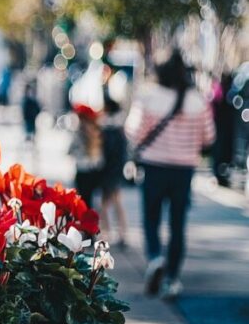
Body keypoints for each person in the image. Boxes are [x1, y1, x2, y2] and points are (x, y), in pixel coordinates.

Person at [125, 50, 215, 299]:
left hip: (154, 166)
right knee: (178, 224)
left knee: (151, 218)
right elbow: (209, 137)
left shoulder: (148, 97)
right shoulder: (198, 101)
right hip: (184, 170)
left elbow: (133, 132)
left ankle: (155, 257)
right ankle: (172, 279)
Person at [100, 93, 128, 246]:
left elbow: (105, 153)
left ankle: (106, 234)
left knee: (105, 204)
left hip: (107, 171)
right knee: (117, 202)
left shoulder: (106, 128)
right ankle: (122, 234)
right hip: (117, 170)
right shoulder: (120, 128)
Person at [68, 104, 104, 208]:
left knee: (82, 200)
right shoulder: (96, 130)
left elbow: (71, 149)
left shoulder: (79, 131)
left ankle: (85, 221)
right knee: (90, 200)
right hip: (94, 170)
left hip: (82, 169)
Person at [211, 72, 235, 187]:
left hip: (219, 128)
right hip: (226, 129)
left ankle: (218, 174)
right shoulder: (230, 94)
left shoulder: (219, 92)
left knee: (219, 152)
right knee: (223, 153)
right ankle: (221, 174)